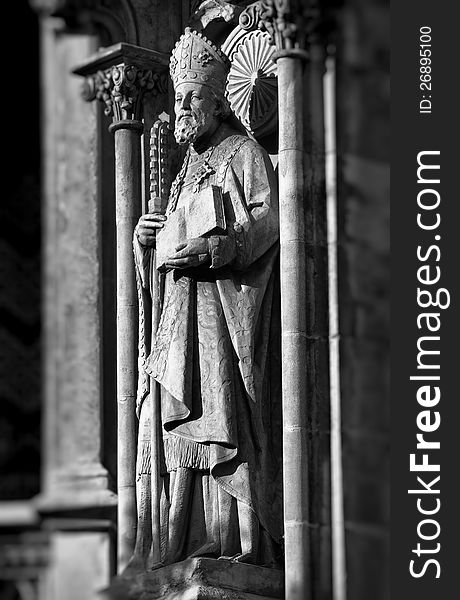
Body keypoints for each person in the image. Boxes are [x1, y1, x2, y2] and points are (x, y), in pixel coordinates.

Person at [132, 27, 282, 569]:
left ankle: (235, 540)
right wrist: (147, 241)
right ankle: (181, 537)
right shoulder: (183, 173)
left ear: (219, 100)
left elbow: (268, 223)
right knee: (172, 414)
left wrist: (218, 248)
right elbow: (169, 246)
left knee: (222, 419)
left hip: (222, 316)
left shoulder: (243, 153)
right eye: (178, 97)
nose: (182, 107)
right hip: (182, 320)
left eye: (192, 96)